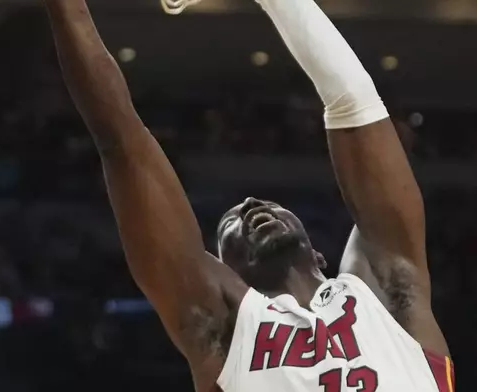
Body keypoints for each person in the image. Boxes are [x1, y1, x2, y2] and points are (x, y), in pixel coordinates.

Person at [44, 0, 454, 391]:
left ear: (319, 256)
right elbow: (120, 139)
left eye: (271, 205)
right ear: (229, 274)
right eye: (230, 226)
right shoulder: (224, 329)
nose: (253, 207)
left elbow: (355, 102)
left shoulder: (384, 299)